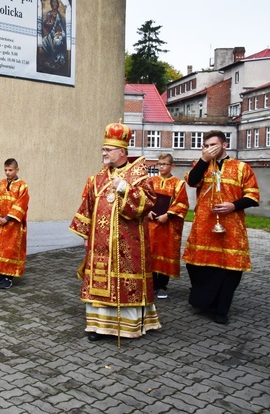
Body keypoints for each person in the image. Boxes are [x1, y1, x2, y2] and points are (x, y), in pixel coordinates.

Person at [69, 122, 160, 342]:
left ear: (121, 151)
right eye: (103, 149)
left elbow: (146, 203)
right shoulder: (98, 177)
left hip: (126, 244)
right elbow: (88, 205)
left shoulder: (138, 174)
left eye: (108, 150)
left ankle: (126, 327)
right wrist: (86, 235)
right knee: (99, 282)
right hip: (100, 245)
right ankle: (98, 326)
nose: (103, 153)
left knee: (123, 284)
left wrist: (124, 189)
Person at [182, 130, 259, 324]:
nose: (209, 149)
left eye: (213, 145)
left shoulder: (241, 167)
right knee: (196, 264)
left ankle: (221, 309)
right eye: (206, 146)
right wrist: (204, 160)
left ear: (224, 145)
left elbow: (253, 196)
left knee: (230, 268)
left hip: (231, 226)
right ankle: (204, 301)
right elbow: (192, 181)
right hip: (204, 225)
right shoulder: (201, 166)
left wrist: (233, 205)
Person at [146, 153, 189, 299]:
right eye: (159, 164)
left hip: (168, 226)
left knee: (165, 252)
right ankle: (151, 285)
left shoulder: (178, 183)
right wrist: (148, 211)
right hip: (151, 224)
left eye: (164, 164)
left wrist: (168, 215)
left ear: (172, 165)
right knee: (150, 252)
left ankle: (162, 286)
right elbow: (144, 199)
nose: (161, 167)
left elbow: (182, 204)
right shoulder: (150, 181)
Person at [0, 158, 30, 290]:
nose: (8, 173)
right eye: (5, 170)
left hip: (13, 225)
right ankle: (0, 273)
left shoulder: (22, 186)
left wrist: (7, 219)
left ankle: (9, 277)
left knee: (10, 250)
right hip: (0, 224)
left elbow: (21, 204)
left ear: (17, 170)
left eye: (10, 170)